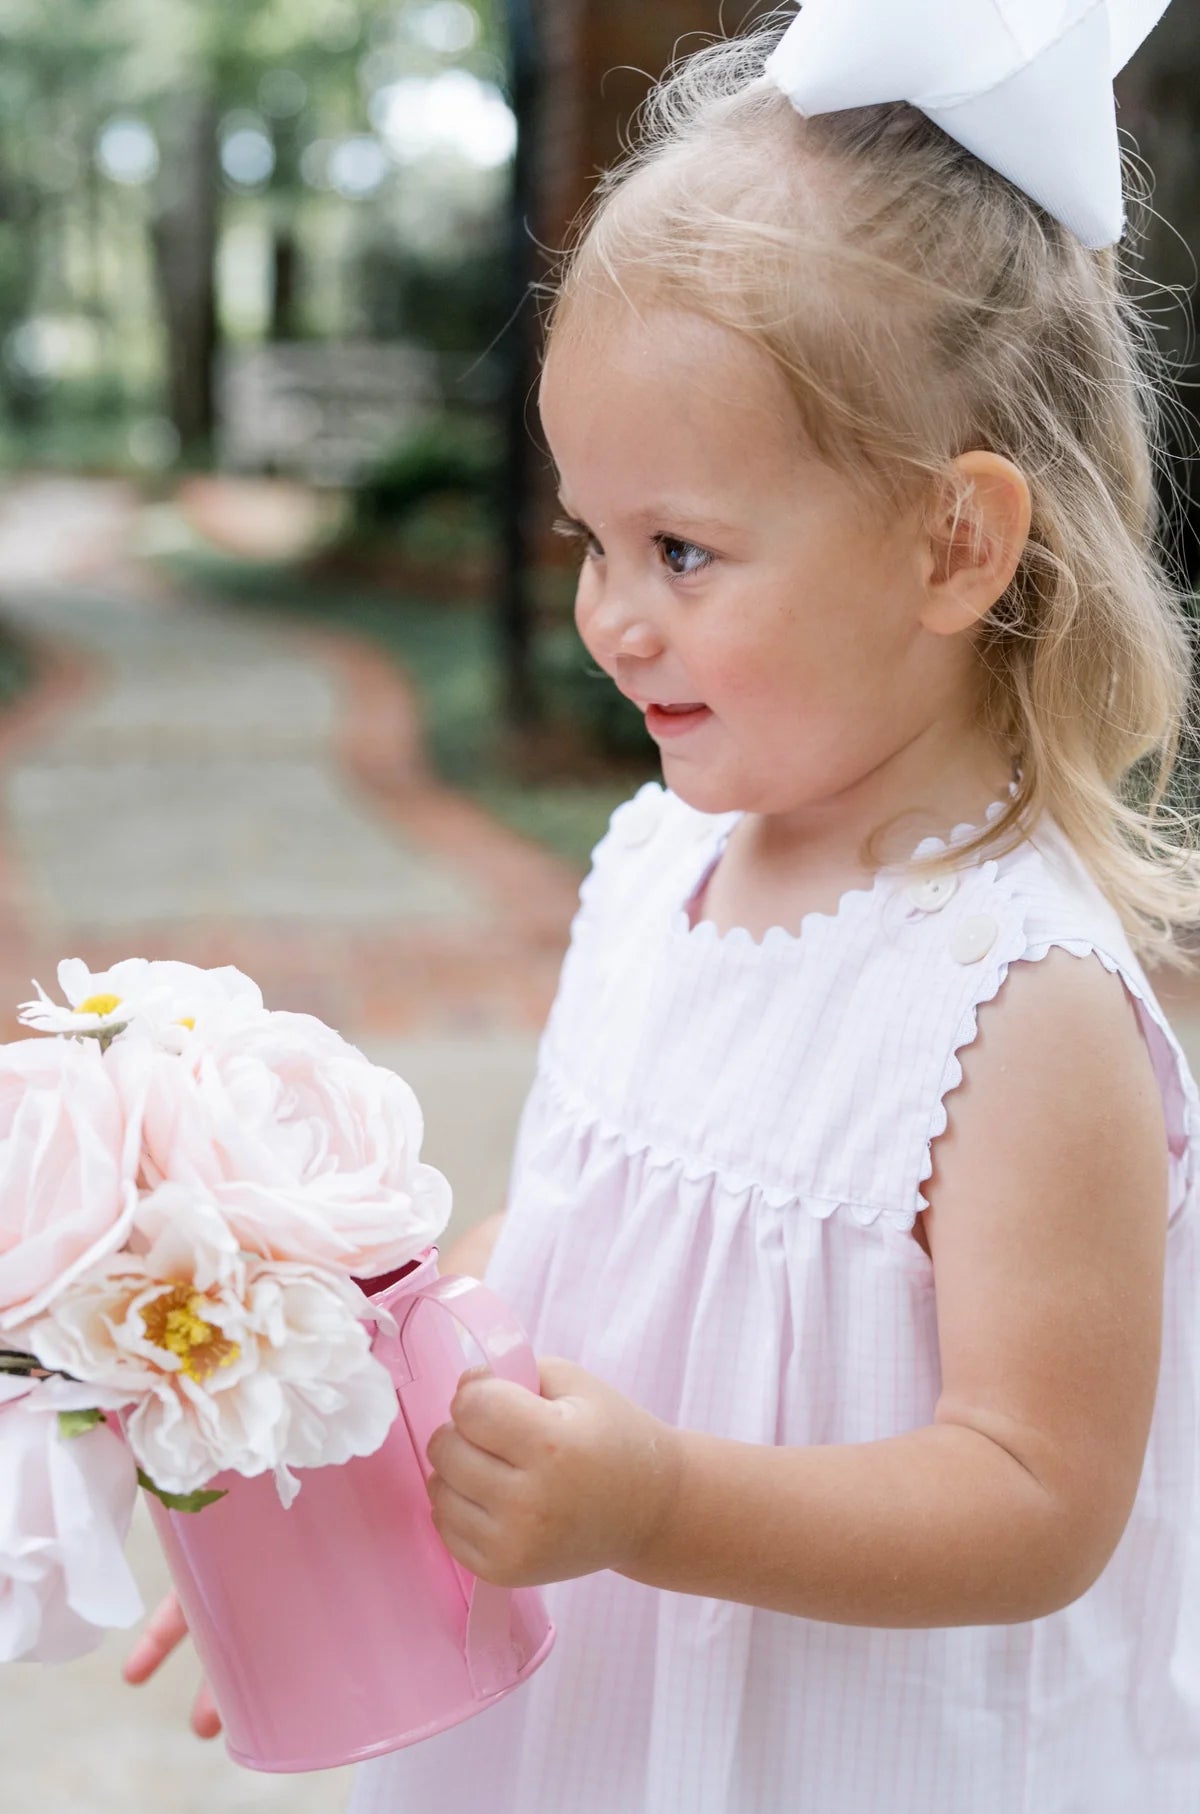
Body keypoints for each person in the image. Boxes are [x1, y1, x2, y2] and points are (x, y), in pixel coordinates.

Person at [126, 8, 1200, 1809]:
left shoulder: (1023, 1002)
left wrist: (661, 1503)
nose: (611, 618)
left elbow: (1038, 1497)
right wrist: (344, 1497)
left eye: (682, 550)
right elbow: (568, 1265)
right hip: (601, 1719)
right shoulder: (647, 870)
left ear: (954, 543)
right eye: (591, 542)